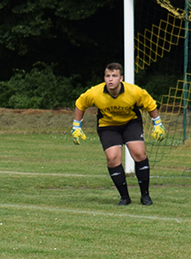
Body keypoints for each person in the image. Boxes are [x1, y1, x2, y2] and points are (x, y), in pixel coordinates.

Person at [71, 62, 165, 206]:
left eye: (114, 76)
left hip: (130, 123)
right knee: (113, 158)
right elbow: (80, 104)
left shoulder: (134, 91)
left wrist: (157, 124)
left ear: (121, 78)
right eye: (108, 76)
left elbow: (150, 105)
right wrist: (76, 126)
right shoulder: (95, 93)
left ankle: (145, 195)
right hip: (108, 126)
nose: (110, 79)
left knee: (139, 153)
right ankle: (124, 197)